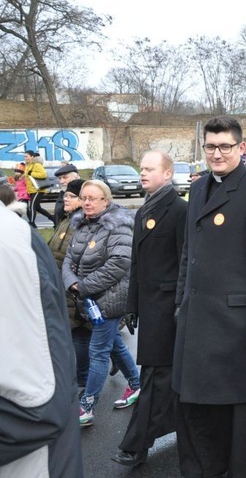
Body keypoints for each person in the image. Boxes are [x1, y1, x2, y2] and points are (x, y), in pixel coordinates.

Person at [173, 116, 246, 477]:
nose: (217, 154)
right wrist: (180, 302)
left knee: (241, 419)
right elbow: (189, 252)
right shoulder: (198, 188)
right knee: (200, 412)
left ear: (241, 147)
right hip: (198, 320)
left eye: (225, 146)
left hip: (238, 326)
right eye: (210, 147)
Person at [111, 151, 188, 467]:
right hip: (151, 309)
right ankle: (192, 435)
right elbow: (137, 265)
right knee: (168, 379)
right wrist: (131, 305)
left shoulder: (179, 210)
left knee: (156, 377)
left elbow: (186, 262)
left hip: (170, 311)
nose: (142, 173)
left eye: (149, 168)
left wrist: (181, 306)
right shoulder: (145, 209)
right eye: (141, 168)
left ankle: (136, 444)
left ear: (167, 173)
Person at [0, 203, 83, 478]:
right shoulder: (65, 221)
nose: (84, 201)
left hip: (88, 299)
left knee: (101, 348)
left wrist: (82, 284)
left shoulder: (9, 240)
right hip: (65, 295)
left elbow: (36, 406)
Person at [62, 179, 141, 425]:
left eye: (92, 198)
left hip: (111, 299)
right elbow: (68, 259)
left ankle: (87, 406)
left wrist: (82, 286)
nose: (86, 202)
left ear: (105, 201)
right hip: (88, 300)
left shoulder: (119, 226)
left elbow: (119, 263)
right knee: (114, 344)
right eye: (83, 197)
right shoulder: (82, 225)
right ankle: (137, 384)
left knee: (98, 352)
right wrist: (72, 283)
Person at [46, 179, 90, 389]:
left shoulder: (82, 223)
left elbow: (78, 256)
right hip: (59, 285)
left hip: (73, 287)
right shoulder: (66, 219)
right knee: (74, 334)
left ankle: (82, 379)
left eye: (71, 196)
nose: (66, 198)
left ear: (82, 200)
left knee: (80, 335)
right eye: (66, 195)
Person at [23, 150, 54, 228]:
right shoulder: (28, 165)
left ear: (32, 157)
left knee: (32, 206)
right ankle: (54, 219)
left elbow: (43, 174)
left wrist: (32, 173)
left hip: (38, 190)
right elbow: (28, 178)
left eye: (26, 156)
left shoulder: (36, 165)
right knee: (38, 208)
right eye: (24, 156)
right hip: (32, 190)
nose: (25, 158)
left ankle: (32, 223)